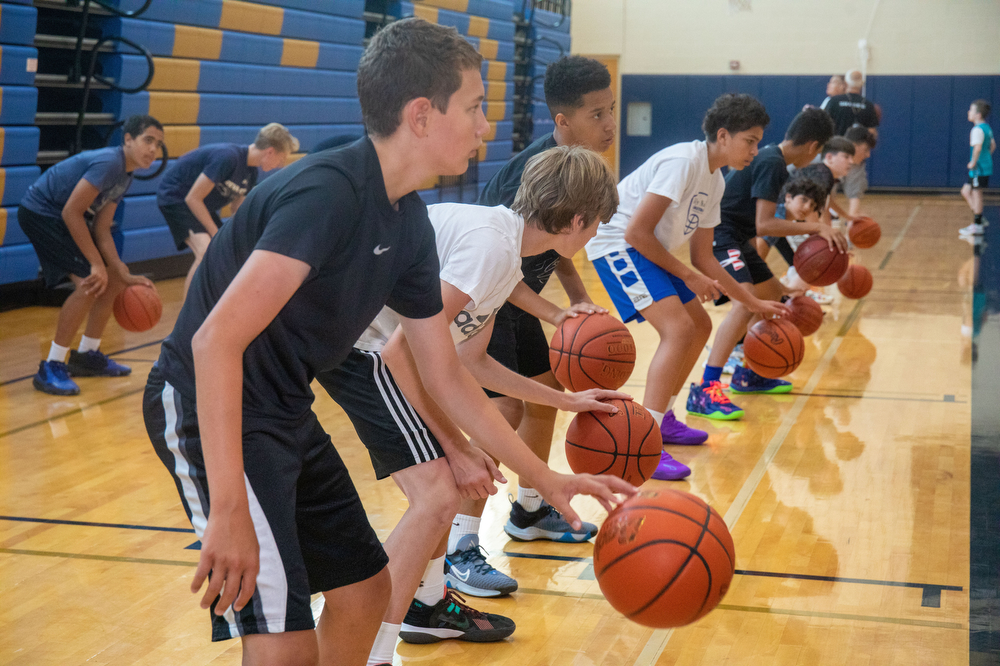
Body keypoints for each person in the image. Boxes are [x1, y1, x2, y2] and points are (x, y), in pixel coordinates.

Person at [141, 19, 632, 666]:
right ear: (422, 115)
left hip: (282, 410)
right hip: (208, 407)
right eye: (477, 106)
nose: (487, 125)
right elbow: (212, 344)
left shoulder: (410, 223)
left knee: (366, 588)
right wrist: (229, 508)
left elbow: (451, 372)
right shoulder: (327, 194)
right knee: (283, 645)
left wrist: (549, 479)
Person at [317, 145, 622, 662]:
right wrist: (457, 448)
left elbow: (473, 362)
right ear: (576, 220)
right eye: (596, 226)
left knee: (444, 486)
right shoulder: (490, 249)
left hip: (363, 342)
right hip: (352, 344)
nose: (594, 236)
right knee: (438, 495)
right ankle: (375, 652)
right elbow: (399, 356)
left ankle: (426, 604)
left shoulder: (505, 250)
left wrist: (564, 400)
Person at [442, 55, 618, 596]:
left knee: (545, 398)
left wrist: (577, 301)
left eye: (610, 110)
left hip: (505, 289)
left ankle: (529, 509)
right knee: (503, 408)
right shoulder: (534, 175)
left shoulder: (575, 176)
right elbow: (503, 260)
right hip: (490, 296)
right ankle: (462, 544)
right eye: (596, 114)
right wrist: (554, 312)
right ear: (563, 122)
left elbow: (545, 247)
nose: (608, 124)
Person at [585, 93, 788, 480]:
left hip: (647, 248)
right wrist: (692, 277)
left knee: (701, 326)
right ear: (723, 136)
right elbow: (637, 231)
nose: (755, 150)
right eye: (750, 140)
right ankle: (645, 442)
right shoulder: (683, 162)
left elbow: (704, 257)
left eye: (758, 142)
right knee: (678, 330)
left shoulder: (715, 181)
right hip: (618, 244)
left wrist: (751, 302)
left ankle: (665, 418)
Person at [698, 108, 846, 415]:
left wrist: (786, 288)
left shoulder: (771, 158)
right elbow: (765, 225)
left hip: (737, 235)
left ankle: (747, 374)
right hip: (720, 232)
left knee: (772, 297)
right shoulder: (773, 163)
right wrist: (817, 227)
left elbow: (762, 226)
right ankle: (706, 389)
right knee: (746, 302)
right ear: (813, 147)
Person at [19, 115, 163, 396]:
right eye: (148, 140)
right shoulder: (110, 163)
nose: (153, 149)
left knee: (114, 281)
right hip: (41, 213)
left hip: (60, 217)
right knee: (89, 282)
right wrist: (96, 264)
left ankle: (87, 355)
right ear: (128, 140)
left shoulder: (126, 174)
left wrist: (120, 270)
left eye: (158, 144)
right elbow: (71, 212)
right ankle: (52, 365)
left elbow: (101, 227)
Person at [156, 123, 298, 297]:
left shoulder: (251, 173)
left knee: (226, 249)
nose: (280, 165)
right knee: (205, 251)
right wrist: (216, 234)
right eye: (281, 158)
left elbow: (237, 209)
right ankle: (186, 318)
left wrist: (244, 239)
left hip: (199, 204)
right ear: (270, 151)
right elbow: (192, 198)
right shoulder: (227, 157)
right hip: (177, 197)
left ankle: (210, 305)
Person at [759, 136, 856, 265]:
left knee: (796, 265)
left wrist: (848, 217)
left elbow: (826, 202)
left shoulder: (823, 173)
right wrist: (824, 239)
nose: (851, 161)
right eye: (846, 157)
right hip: (781, 213)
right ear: (829, 157)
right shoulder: (823, 176)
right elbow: (812, 211)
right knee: (805, 265)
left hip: (784, 214)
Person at [960, 99, 995, 236]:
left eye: (971, 110)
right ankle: (979, 217)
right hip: (982, 166)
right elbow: (992, 146)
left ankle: (977, 225)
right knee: (966, 191)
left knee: (976, 194)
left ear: (978, 115)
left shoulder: (977, 130)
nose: (969, 112)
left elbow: (978, 148)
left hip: (978, 168)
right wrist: (986, 158)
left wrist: (974, 161)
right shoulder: (987, 128)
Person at [820, 70, 880, 137]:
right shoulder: (868, 105)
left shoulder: (834, 101)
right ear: (862, 84)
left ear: (845, 83)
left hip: (836, 145)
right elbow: (872, 133)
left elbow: (823, 126)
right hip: (858, 146)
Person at [841, 125, 877, 218]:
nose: (868, 155)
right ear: (854, 146)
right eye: (866, 150)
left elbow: (854, 196)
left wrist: (851, 219)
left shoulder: (857, 165)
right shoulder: (825, 163)